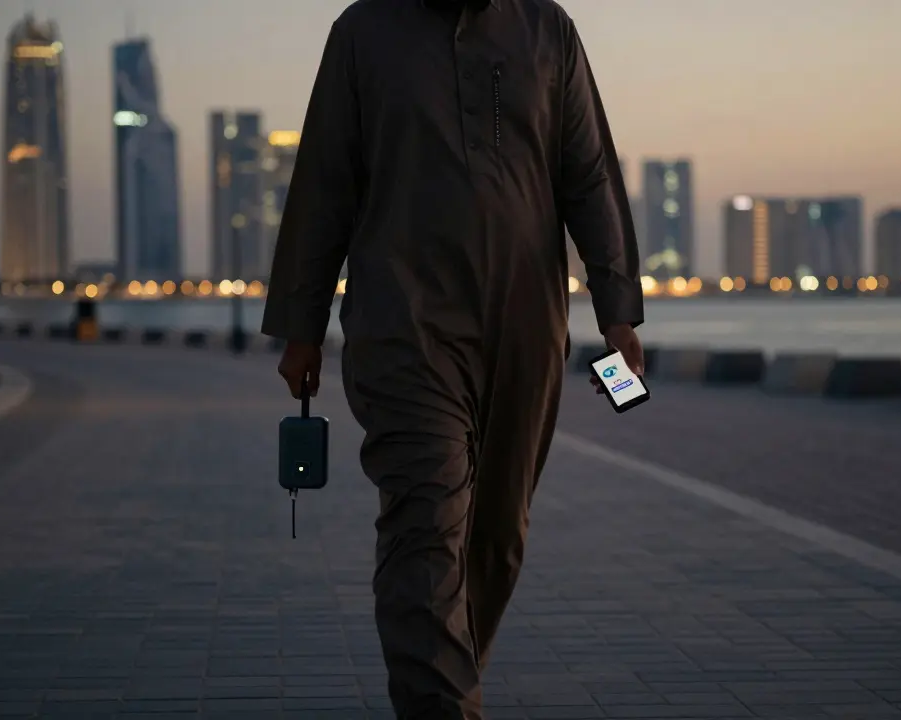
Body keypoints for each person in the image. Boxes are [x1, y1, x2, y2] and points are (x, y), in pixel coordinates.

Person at [261, 0, 645, 716]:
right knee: (427, 521)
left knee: (496, 538)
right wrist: (301, 324)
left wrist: (617, 309)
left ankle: (444, 688)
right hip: (404, 325)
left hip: (527, 326)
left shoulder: (548, 31)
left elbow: (589, 174)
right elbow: (324, 184)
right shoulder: (363, 34)